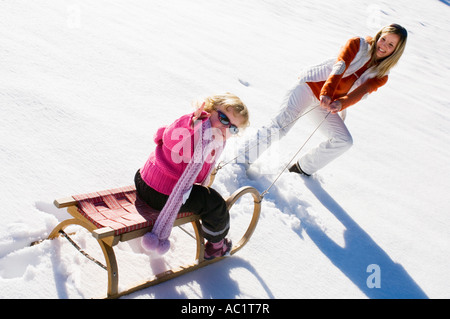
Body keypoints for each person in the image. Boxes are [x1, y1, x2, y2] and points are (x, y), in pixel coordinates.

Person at [239, 24, 407, 176]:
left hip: (325, 104)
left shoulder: (381, 75)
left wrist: (341, 103)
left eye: (390, 44)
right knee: (281, 127)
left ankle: (301, 169)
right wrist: (327, 92)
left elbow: (361, 92)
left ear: (396, 51)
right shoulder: (358, 44)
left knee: (344, 141)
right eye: (383, 39)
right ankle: (241, 160)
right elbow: (339, 67)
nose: (383, 45)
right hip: (309, 87)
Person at [135, 93, 249, 259]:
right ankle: (216, 246)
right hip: (162, 195)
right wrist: (191, 122)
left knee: (201, 195)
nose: (226, 127)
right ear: (209, 110)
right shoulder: (194, 127)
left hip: (144, 180)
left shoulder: (213, 139)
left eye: (233, 128)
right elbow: (173, 135)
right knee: (215, 204)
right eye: (223, 118)